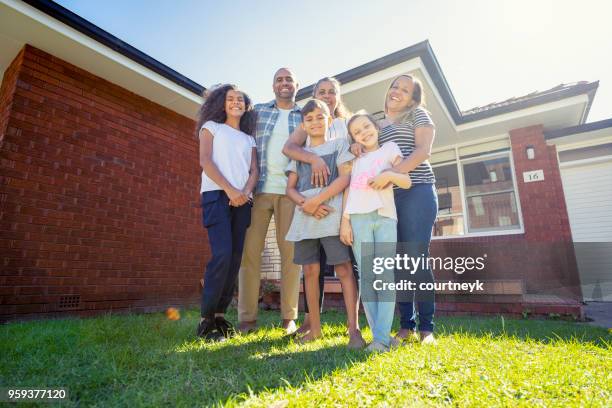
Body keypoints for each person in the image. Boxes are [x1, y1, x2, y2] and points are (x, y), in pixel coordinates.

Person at [239, 68, 327, 334]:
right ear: (273, 85)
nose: (284, 83)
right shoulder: (257, 113)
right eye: (279, 79)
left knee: (291, 256)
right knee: (250, 254)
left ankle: (289, 317)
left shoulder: (305, 115)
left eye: (289, 79)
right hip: (260, 189)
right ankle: (247, 318)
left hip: (291, 191)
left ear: (297, 85)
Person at [354, 74, 438, 345]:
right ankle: (406, 325)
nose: (397, 92)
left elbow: (423, 151)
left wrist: (391, 173)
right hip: (387, 199)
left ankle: (427, 329)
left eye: (405, 90)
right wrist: (357, 145)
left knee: (416, 257)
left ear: (413, 98)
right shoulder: (376, 122)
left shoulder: (418, 115)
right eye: (395, 86)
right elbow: (368, 144)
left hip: (418, 190)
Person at [285, 99, 364, 346]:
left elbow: (345, 179)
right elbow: (290, 188)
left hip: (331, 217)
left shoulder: (340, 145)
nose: (315, 122)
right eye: (309, 119)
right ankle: (315, 329)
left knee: (344, 270)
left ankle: (354, 329)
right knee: (309, 271)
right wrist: (305, 204)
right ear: (303, 126)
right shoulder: (300, 155)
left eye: (320, 117)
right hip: (305, 220)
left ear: (330, 120)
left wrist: (316, 201)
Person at [340, 113, 412, 352]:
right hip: (358, 220)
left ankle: (380, 339)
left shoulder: (390, 148)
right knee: (368, 279)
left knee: (384, 277)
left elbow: (406, 181)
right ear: (354, 138)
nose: (364, 132)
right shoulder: (356, 157)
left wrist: (388, 175)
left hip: (384, 218)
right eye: (357, 131)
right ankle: (381, 337)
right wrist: (345, 222)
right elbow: (350, 191)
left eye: (367, 126)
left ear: (376, 126)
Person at [195, 85, 258, 341]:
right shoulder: (211, 127)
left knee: (234, 260)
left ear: (246, 106)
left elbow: (254, 171)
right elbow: (206, 162)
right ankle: (205, 320)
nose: (235, 102)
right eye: (230, 99)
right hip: (217, 196)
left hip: (243, 200)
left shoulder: (249, 138)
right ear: (222, 104)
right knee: (221, 255)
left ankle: (220, 317)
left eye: (240, 99)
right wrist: (231, 190)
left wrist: (243, 192)